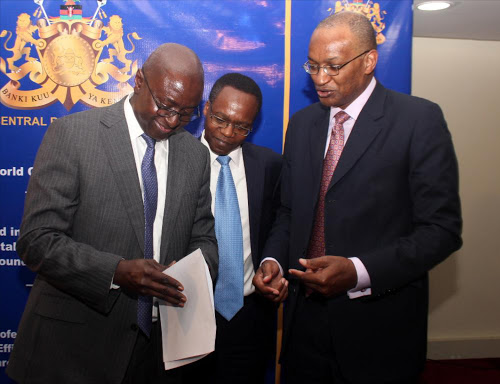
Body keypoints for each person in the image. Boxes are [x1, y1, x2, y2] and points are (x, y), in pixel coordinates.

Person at [253, 11, 462, 384]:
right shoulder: (302, 125)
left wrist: (357, 272)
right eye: (313, 66)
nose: (320, 79)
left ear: (369, 60)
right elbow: (289, 211)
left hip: (378, 329)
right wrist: (274, 260)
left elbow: (441, 230)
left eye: (333, 67)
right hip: (304, 326)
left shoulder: (418, 120)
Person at [7, 43, 218, 384]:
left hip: (156, 354)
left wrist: (187, 273)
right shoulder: (73, 135)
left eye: (187, 113)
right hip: (71, 350)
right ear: (138, 81)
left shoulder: (195, 156)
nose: (173, 120)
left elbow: (204, 240)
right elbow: (37, 241)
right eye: (165, 106)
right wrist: (116, 272)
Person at [183, 73, 283, 384]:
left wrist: (272, 261)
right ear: (207, 108)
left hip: (249, 317)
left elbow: (281, 221)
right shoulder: (175, 158)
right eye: (220, 119)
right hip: (186, 313)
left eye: (241, 126)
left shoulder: (268, 165)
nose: (228, 133)